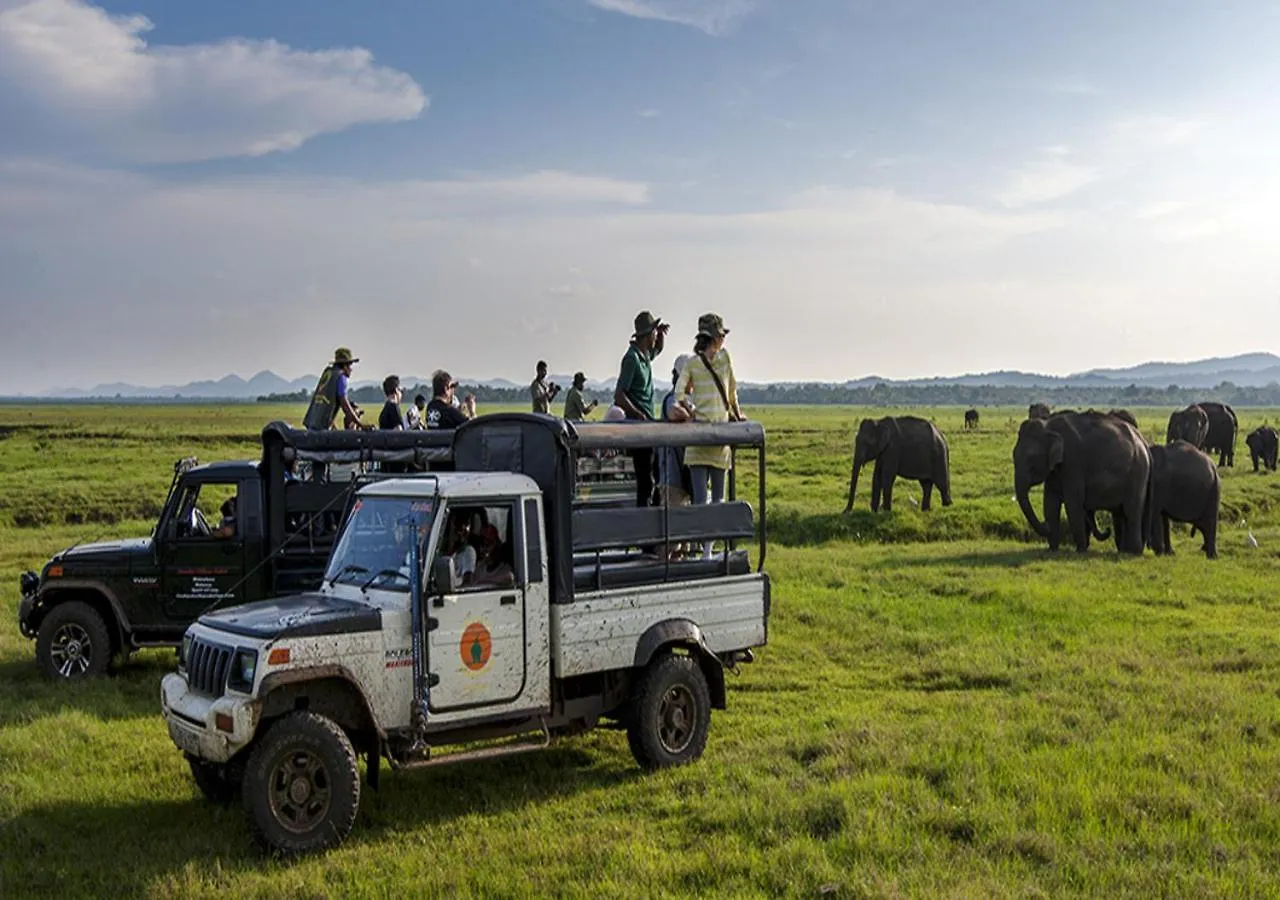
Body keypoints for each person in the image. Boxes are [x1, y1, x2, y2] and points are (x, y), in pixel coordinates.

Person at [675, 313, 743, 558]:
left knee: (702, 501)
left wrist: (690, 410)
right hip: (719, 438)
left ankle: (704, 548)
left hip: (698, 438)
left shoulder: (693, 363)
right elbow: (732, 391)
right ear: (716, 338)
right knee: (717, 500)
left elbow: (679, 392)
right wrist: (737, 413)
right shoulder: (724, 360)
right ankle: (707, 550)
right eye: (722, 335)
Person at [614, 310, 668, 507]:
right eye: (654, 332)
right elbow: (619, 395)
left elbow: (658, 349)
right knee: (645, 481)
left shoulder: (644, 355)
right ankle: (643, 523)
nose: (656, 336)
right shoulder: (632, 359)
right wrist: (637, 414)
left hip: (648, 426)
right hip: (638, 426)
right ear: (647, 334)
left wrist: (661, 333)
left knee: (653, 477)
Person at [657, 354, 694, 557]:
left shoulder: (685, 400)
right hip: (672, 478)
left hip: (681, 477)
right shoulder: (673, 398)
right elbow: (673, 412)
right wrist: (692, 415)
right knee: (670, 538)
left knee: (682, 541)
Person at [303, 347, 366, 432]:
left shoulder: (328, 373)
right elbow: (344, 404)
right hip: (321, 429)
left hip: (311, 423)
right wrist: (360, 424)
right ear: (344, 366)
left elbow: (327, 402)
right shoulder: (341, 377)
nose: (351, 369)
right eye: (350, 365)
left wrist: (333, 425)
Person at [446, 512, 477, 586]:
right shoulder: (448, 552)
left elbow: (467, 582)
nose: (460, 532)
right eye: (457, 526)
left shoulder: (468, 552)